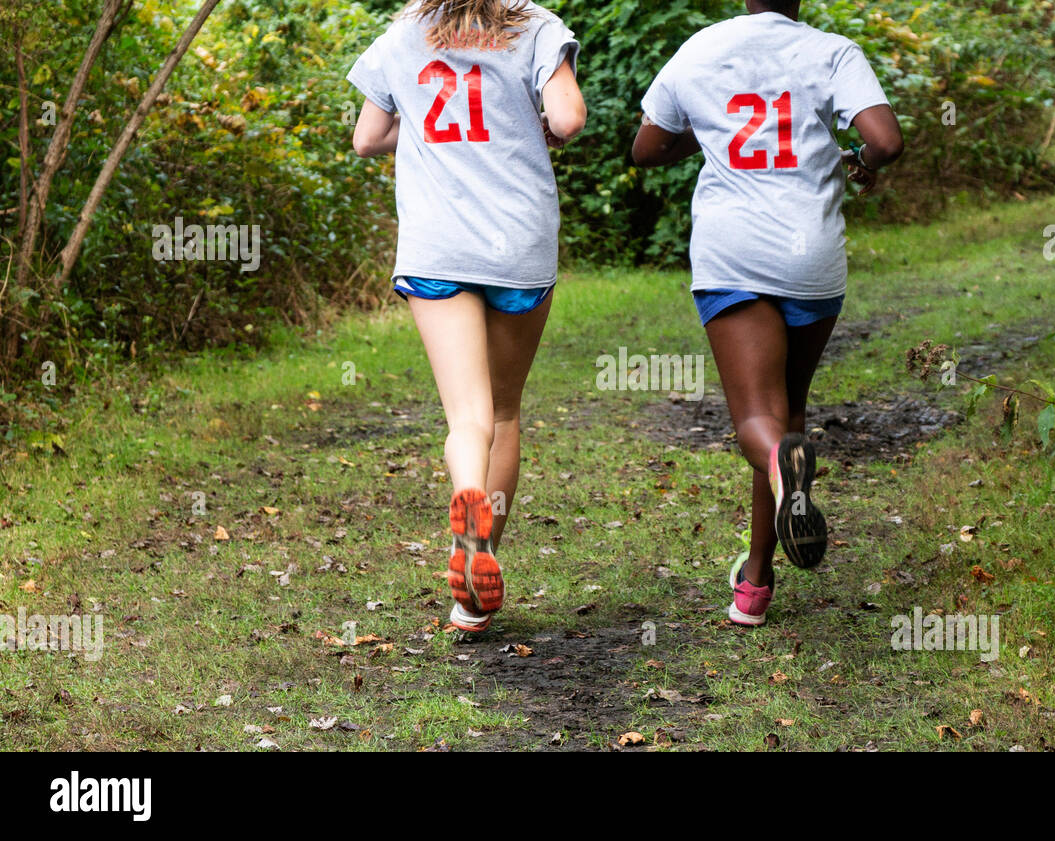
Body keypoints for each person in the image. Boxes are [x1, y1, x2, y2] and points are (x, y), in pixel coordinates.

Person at [632, 0, 903, 626]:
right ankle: (755, 584)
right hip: (811, 255)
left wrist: (706, 132)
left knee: (760, 421)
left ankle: (785, 478)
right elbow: (885, 139)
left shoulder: (699, 48)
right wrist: (861, 164)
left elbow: (647, 149)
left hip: (734, 252)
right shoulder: (832, 50)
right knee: (789, 414)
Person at [348, 0, 587, 632]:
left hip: (438, 248)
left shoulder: (403, 33)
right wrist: (534, 125)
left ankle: (467, 501)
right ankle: (472, 589)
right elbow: (568, 117)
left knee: (468, 415)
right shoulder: (534, 25)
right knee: (505, 410)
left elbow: (367, 138)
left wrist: (426, 127)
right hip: (517, 244)